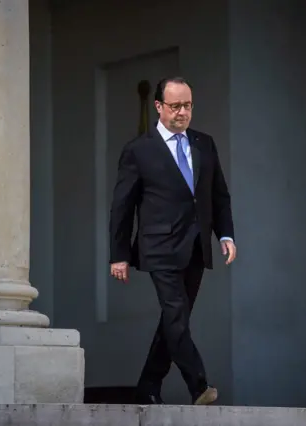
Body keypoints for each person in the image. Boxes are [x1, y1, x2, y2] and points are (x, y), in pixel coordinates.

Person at [108, 77, 236, 405]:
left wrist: (225, 234)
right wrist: (119, 254)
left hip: (195, 245)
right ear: (159, 107)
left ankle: (148, 386)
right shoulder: (138, 150)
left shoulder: (204, 143)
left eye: (188, 105)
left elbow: (218, 194)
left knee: (174, 319)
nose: (183, 112)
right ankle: (199, 386)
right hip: (158, 247)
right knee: (176, 312)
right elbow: (122, 206)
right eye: (176, 106)